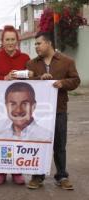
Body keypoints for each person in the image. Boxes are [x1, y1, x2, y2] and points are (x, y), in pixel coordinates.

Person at [26, 32, 80, 190]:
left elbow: (76, 80)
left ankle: (62, 176)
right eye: (35, 44)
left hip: (59, 110)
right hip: (38, 112)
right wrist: (40, 79)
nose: (36, 47)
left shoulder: (67, 61)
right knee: (39, 143)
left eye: (38, 43)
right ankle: (37, 176)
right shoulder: (31, 64)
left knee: (59, 145)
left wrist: (62, 83)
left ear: (48, 43)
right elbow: (26, 83)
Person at [0, 25, 30, 185]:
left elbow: (32, 80)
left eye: (13, 39)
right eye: (7, 40)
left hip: (19, 106)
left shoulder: (25, 58)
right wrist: (4, 78)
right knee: (3, 137)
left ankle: (16, 171)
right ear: (2, 41)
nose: (10, 42)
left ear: (17, 41)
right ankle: (1, 170)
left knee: (18, 137)